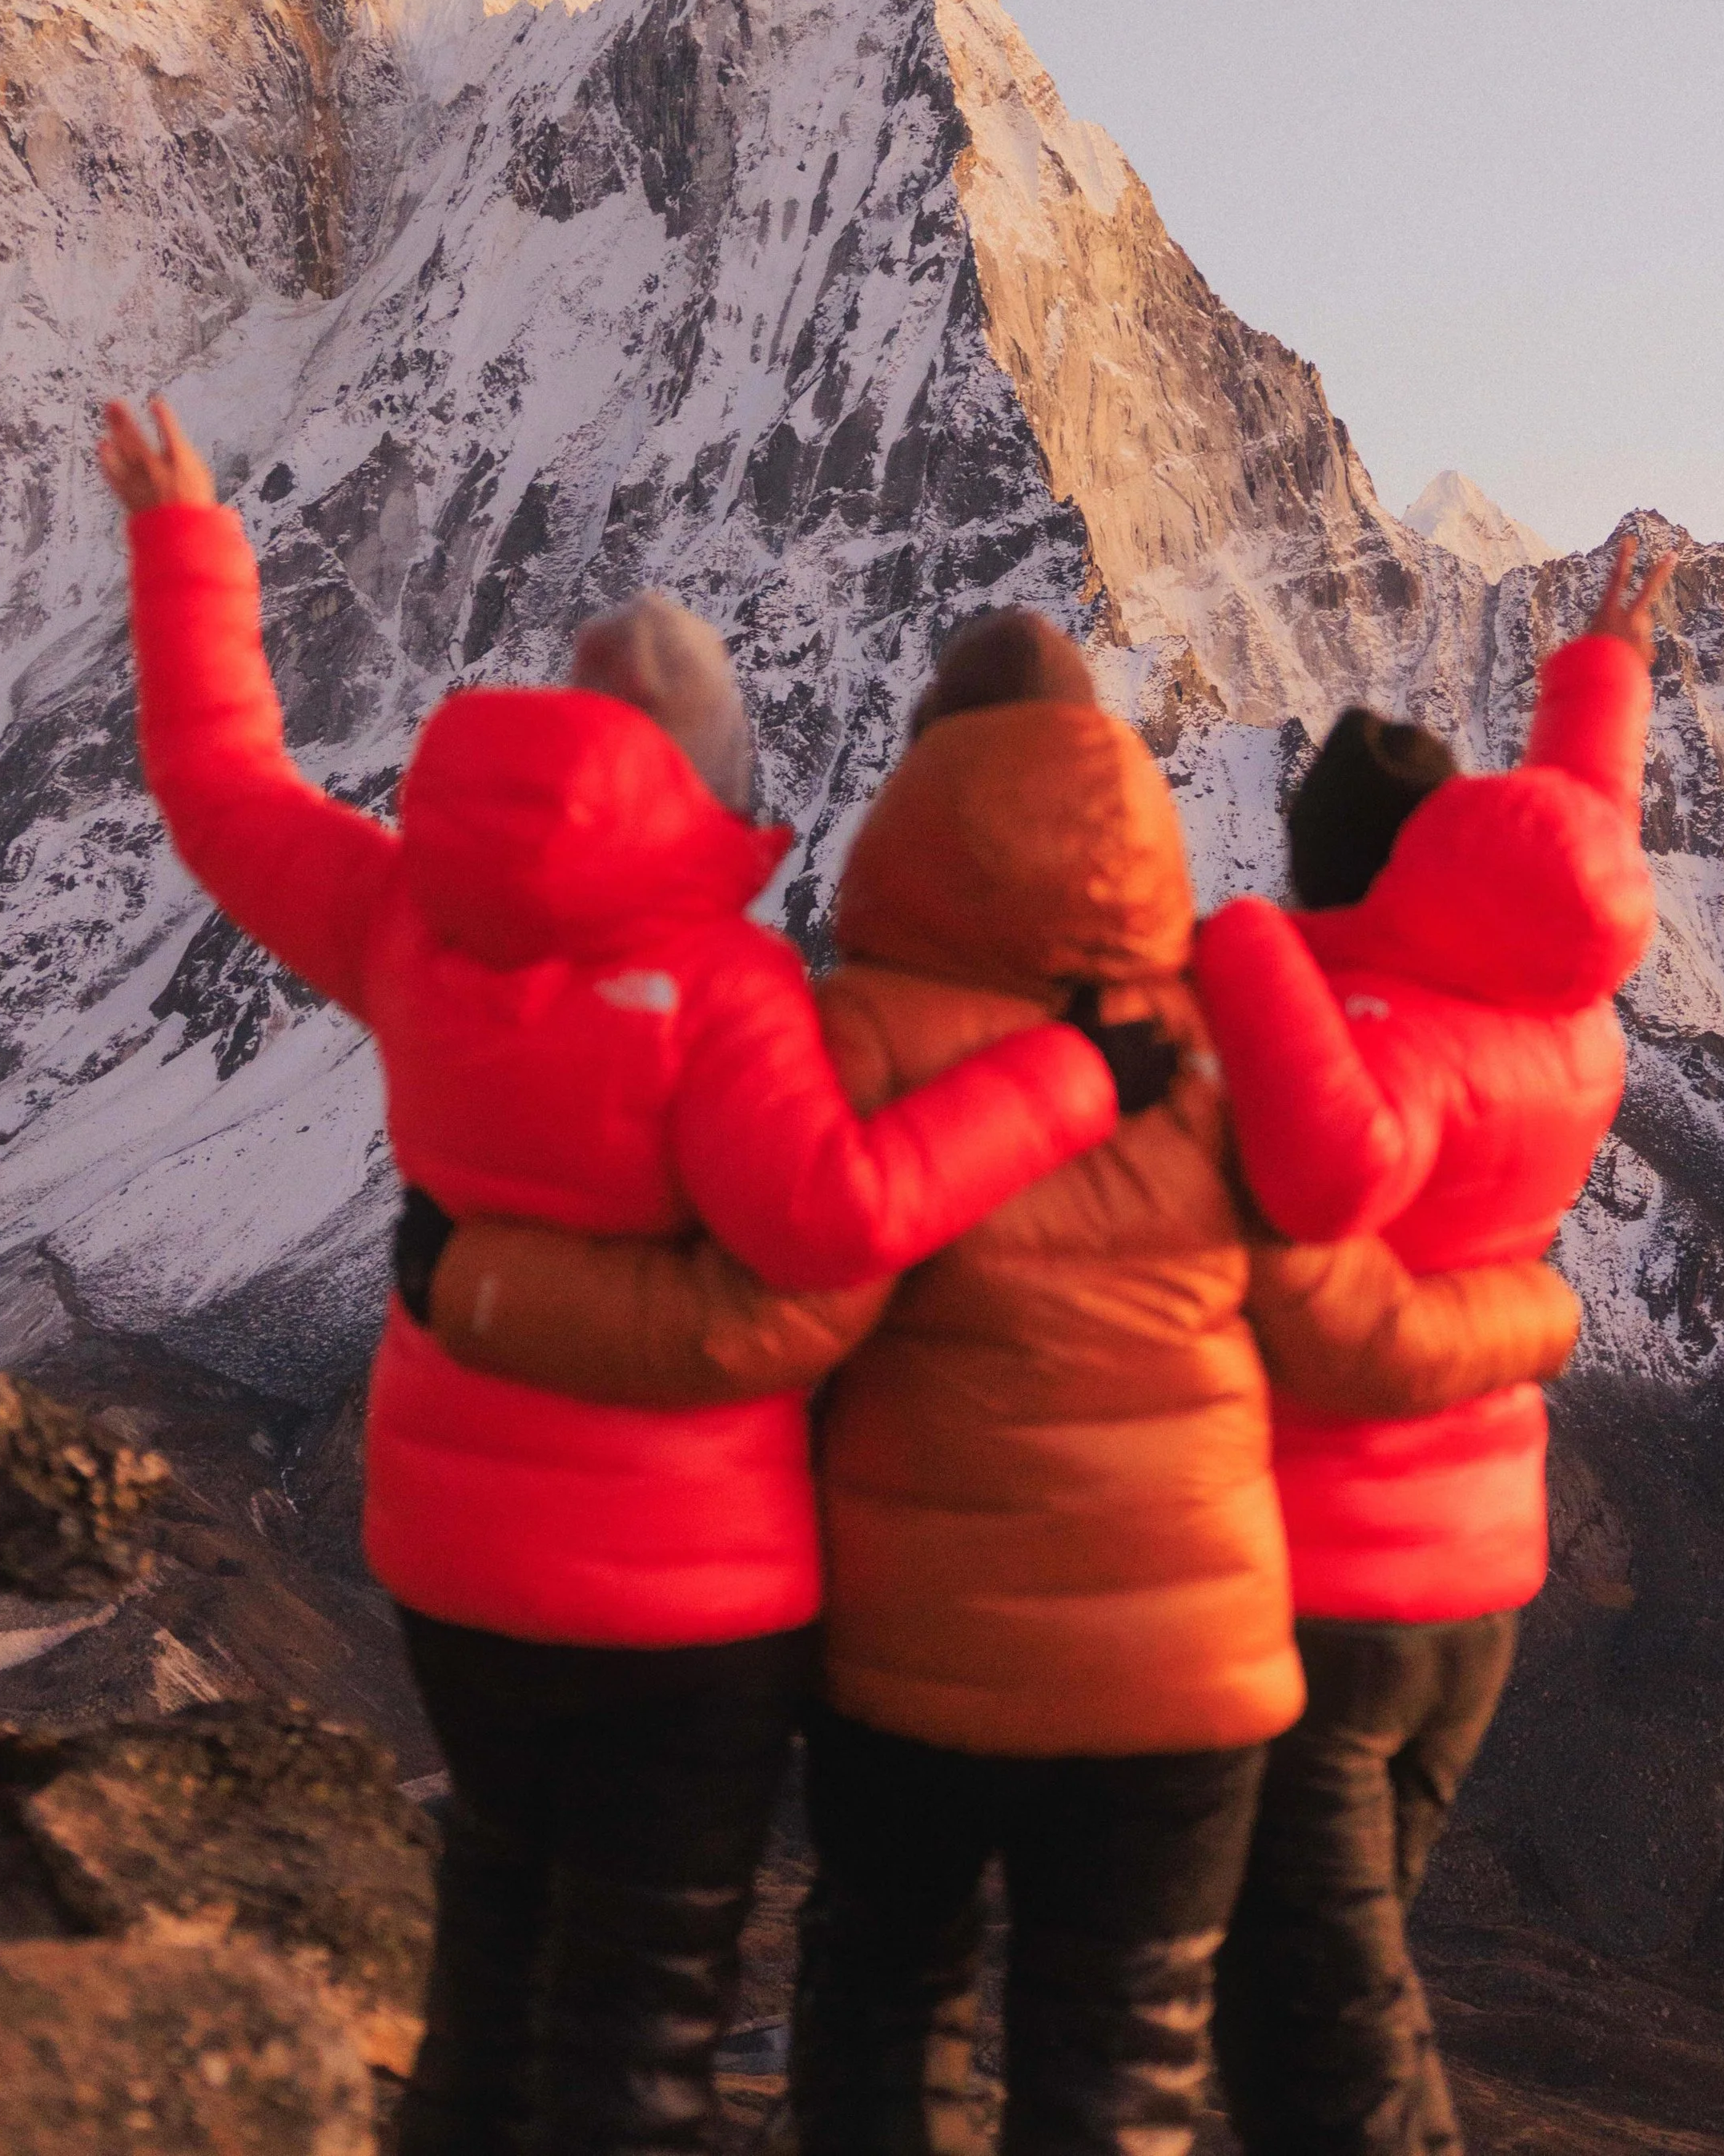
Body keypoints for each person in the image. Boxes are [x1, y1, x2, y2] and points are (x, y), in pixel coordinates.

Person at [428, 613, 1591, 2156]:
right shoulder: (1233, 1044)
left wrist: (474, 1282)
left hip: (914, 1660)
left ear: (919, 816)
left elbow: (764, 1322)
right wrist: (1537, 1304)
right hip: (1191, 1676)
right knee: (1123, 2075)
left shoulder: (848, 1037)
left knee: (886, 2015)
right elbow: (1339, 1316)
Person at [96, 401, 1118, 2156]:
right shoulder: (721, 986)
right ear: (712, 783)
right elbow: (823, 1213)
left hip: (450, 1552)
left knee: (493, 1933)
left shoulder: (415, 912)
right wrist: (1066, 1077)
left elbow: (223, 791)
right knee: (640, 2013)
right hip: (689, 1595)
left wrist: (189, 549)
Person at [1194, 536, 1674, 2156]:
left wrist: (1248, 951)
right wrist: (1600, 677)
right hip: (1471, 1576)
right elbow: (1578, 835)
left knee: (1313, 2010)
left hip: (1330, 1595)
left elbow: (1330, 1166)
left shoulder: (1377, 1044)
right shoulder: (1553, 1007)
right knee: (1323, 1973)